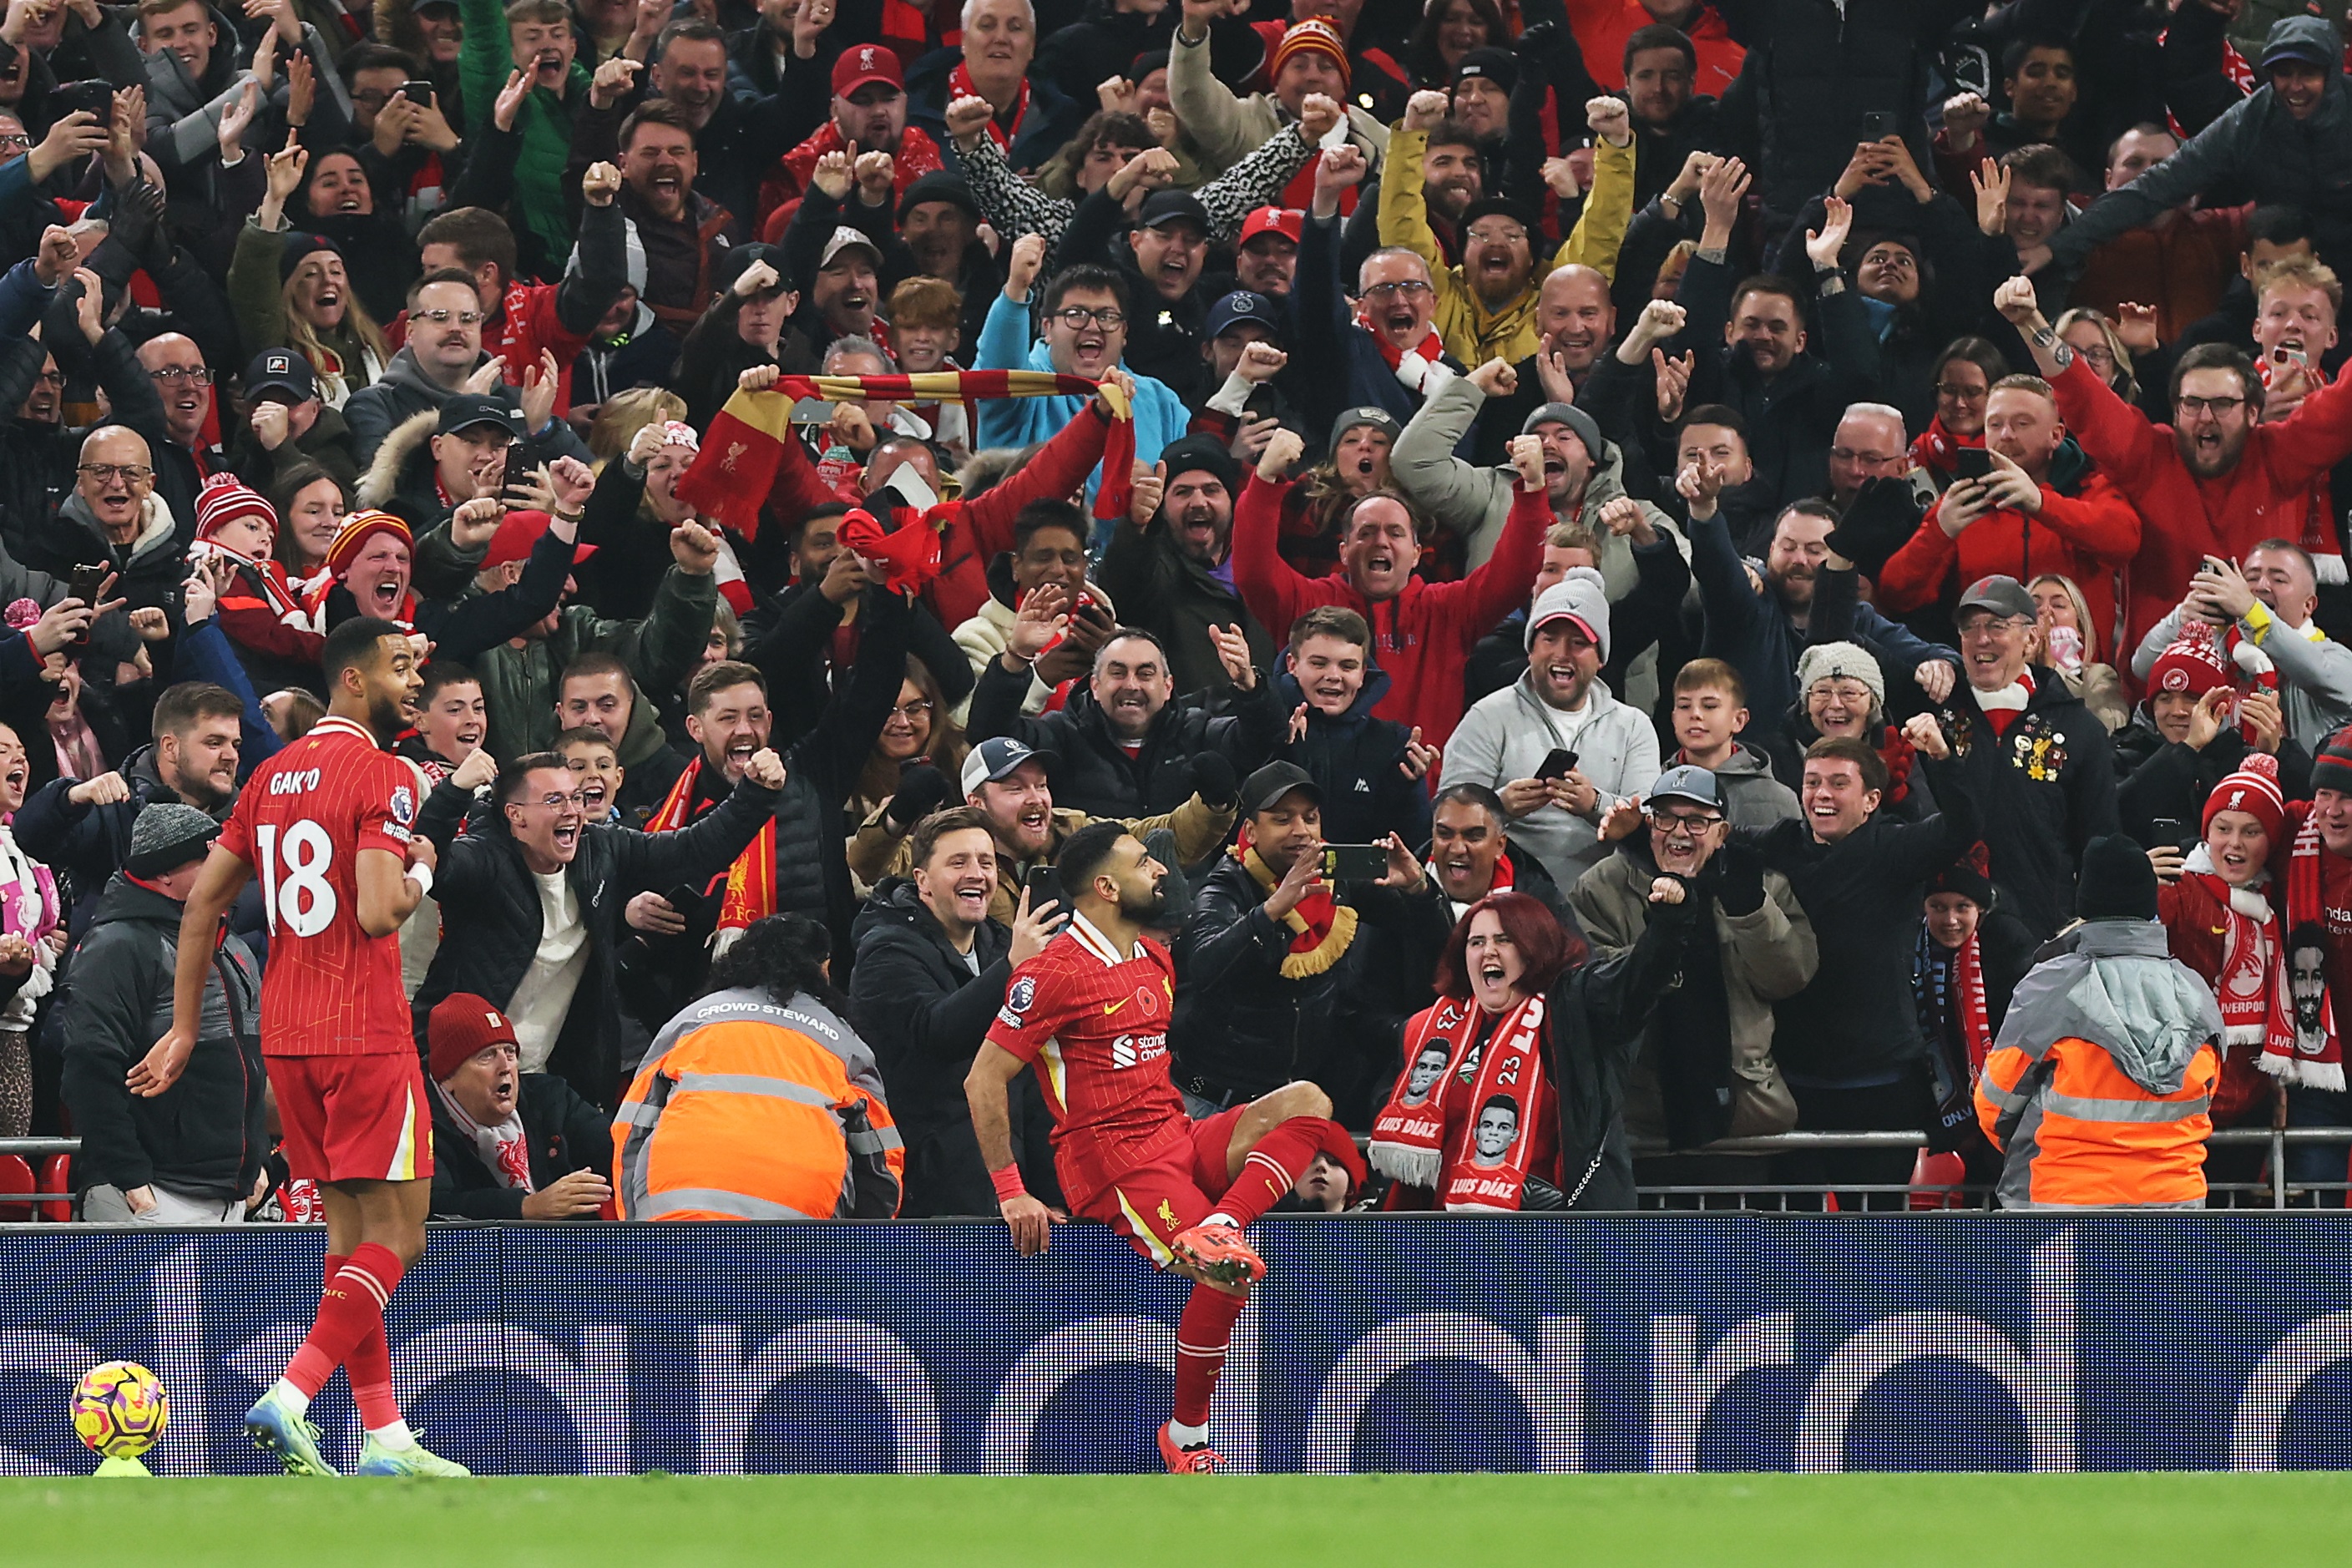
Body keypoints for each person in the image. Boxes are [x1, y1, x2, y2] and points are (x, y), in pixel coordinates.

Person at [137, 616, 463, 1478]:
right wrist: (427, 867)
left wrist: (180, 1028)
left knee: (349, 1237)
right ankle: (292, 1392)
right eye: (400, 669)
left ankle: (387, 1438)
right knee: (403, 1237)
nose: (415, 685)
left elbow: (202, 905)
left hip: (289, 1037)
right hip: (366, 1031)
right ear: (353, 681)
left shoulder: (270, 779)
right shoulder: (388, 775)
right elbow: (377, 909)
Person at [967, 819, 1363, 1472]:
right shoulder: (1052, 975)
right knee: (1228, 1274)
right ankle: (1185, 1439)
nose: (1158, 871)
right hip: (1114, 1164)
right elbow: (983, 1078)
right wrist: (1012, 1192)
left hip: (1177, 1134)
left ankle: (1223, 1222)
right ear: (1105, 887)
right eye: (1139, 864)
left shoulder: (1154, 956)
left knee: (1309, 1104)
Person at [409, 741, 787, 1112]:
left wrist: (754, 794)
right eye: (554, 800)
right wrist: (455, 790)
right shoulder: (484, 859)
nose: (572, 811)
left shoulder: (599, 848)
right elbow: (429, 858)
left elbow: (694, 850)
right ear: (516, 815)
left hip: (550, 1077)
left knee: (605, 1162)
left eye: (575, 798)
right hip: (461, 1075)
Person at [1996, 274, 2352, 661]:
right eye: (2192, 403)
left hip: (2263, 696)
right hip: (2156, 697)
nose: (2205, 417)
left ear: (2254, 413)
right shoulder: (2149, 454)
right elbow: (2084, 393)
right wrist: (2031, 323)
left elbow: (2343, 404)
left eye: (2222, 404)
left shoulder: (2280, 455)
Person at [1367, 876, 1697, 1211]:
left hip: (1558, 1237)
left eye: (1504, 939)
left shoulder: (1574, 1008)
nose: (1488, 951)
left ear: (1533, 948)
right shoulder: (1431, 1028)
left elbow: (1636, 981)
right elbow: (1386, 1102)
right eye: (1476, 942)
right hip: (1450, 1237)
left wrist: (1669, 923)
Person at [1752, 724, 1978, 1208]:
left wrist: (1941, 758)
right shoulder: (1781, 844)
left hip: (1881, 1083)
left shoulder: (1895, 849)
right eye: (1812, 781)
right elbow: (1708, 845)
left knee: (1874, 1245)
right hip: (1794, 1080)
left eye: (1838, 783)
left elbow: (1963, 825)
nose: (1821, 794)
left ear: (1872, 799)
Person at [1170, 760, 1449, 1125]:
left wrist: (1418, 888)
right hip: (1214, 1102)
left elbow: (1440, 943)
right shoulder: (1226, 886)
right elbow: (1204, 966)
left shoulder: (1339, 877)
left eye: (1311, 818)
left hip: (1303, 1099)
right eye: (1283, 819)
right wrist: (1272, 911)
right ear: (1250, 831)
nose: (1301, 831)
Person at [1233, 423, 1547, 747]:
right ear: (1344, 551)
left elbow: (1516, 574)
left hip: (1423, 790)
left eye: (1395, 533)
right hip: (1321, 791)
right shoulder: (1311, 605)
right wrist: (1265, 480)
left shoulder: (1448, 611)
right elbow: (1253, 572)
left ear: (1415, 554)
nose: (1380, 542)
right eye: (1367, 532)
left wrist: (1534, 489)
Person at [1570, 765, 1810, 1173]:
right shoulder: (1599, 888)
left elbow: (1788, 978)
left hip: (1743, 1123)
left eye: (1697, 821)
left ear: (1723, 833)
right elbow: (1602, 1000)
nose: (1679, 833)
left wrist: (1748, 909)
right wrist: (1665, 933)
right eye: (1665, 818)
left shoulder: (1761, 886)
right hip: (1636, 1125)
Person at [1976, 836, 2224, 1211]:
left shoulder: (2050, 988)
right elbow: (2206, 1097)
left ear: (2085, 901)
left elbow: (1994, 1105)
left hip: (2063, 1212)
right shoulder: (2197, 992)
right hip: (2175, 1210)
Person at [847, 805, 1062, 1216]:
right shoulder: (885, 949)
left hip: (1006, 1189)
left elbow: (1033, 1080)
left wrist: (1044, 1192)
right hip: (920, 1195)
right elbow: (938, 1034)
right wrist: (1013, 967)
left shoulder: (1002, 945)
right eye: (958, 862)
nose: (976, 874)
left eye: (985, 862)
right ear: (922, 881)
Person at [616, 913, 903, 1220]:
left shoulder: (692, 1019)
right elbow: (879, 1156)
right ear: (824, 968)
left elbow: (632, 1125)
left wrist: (636, 1225)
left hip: (676, 1201)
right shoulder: (844, 1041)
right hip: (798, 1210)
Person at [59, 802, 261, 1223]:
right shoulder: (117, 944)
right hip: (157, 1193)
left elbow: (253, 1064)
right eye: (209, 858)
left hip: (230, 1196)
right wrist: (132, 1181)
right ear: (165, 872)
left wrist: (259, 1163)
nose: (225, 869)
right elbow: (88, 1067)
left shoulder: (234, 946)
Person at [1440, 571, 1662, 892]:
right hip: (1506, 899)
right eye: (1550, 638)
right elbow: (1446, 818)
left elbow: (1648, 819)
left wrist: (1595, 804)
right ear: (1530, 648)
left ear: (1600, 658)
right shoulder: (1487, 717)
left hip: (1601, 902)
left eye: (1579, 643)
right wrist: (1498, 807)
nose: (1562, 653)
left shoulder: (1633, 727)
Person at [1932, 574, 2120, 939]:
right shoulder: (1934, 718)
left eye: (1997, 626)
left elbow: (2101, 843)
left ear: (2032, 638)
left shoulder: (2079, 727)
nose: (1981, 638)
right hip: (1945, 933)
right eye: (1970, 627)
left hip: (2044, 934)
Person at [968, 610, 1282, 821]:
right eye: (1118, 673)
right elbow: (989, 737)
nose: (1131, 685)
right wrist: (1015, 659)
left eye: (1145, 674)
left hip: (1189, 897)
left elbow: (1262, 740)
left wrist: (1248, 684)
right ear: (1094, 684)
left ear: (1168, 686)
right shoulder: (1061, 734)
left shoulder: (1197, 731)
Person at [424, 993, 614, 1222]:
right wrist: (526, 1206)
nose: (505, 1067)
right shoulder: (418, 1123)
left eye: (510, 1052)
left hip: (572, 1249)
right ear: (448, 1077)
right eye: (487, 1056)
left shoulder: (550, 1097)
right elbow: (433, 1203)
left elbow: (616, 1153)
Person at [1666, 659, 1798, 829]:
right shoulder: (1653, 785)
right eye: (1684, 706)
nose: (1695, 714)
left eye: (1709, 706)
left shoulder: (1778, 799)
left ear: (1739, 720)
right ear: (1673, 718)